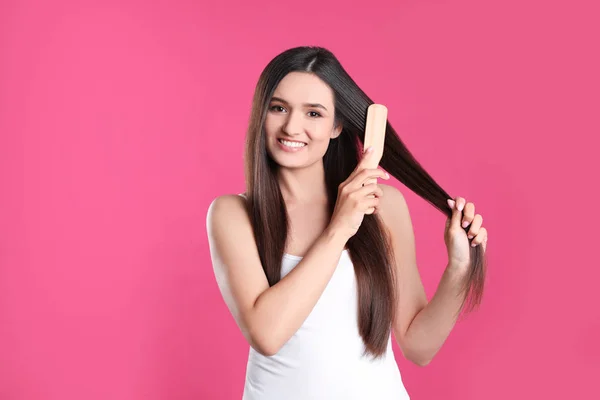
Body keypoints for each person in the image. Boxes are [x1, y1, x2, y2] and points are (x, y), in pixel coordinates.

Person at [206, 46, 488, 400]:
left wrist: (459, 268)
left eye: (314, 113)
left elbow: (419, 346)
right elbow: (268, 333)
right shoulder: (234, 215)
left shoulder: (382, 208)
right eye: (279, 108)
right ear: (261, 114)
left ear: (337, 125)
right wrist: (340, 226)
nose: (293, 126)